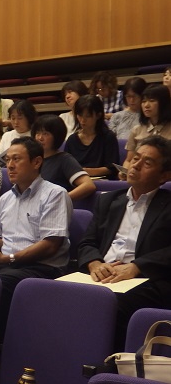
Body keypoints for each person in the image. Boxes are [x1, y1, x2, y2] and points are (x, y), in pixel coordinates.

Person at [77, 136, 171, 350]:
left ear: (164, 176)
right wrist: (95, 263)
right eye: (135, 158)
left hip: (146, 280)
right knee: (56, 295)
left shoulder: (167, 205)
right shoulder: (109, 200)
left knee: (108, 305)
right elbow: (87, 242)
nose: (135, 165)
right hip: (102, 275)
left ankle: (106, 363)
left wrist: (137, 266)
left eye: (147, 163)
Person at [0, 136, 72, 339]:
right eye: (7, 160)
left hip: (43, 267)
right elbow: (6, 238)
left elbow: (51, 245)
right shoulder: (5, 199)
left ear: (36, 162)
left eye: (16, 159)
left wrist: (7, 258)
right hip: (9, 264)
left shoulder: (55, 194)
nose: (10, 166)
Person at [32, 115, 96, 201]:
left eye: (45, 134)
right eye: (38, 133)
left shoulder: (64, 159)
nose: (40, 138)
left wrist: (60, 200)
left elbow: (88, 185)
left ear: (56, 136)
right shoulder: (32, 160)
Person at [65, 95, 119, 179]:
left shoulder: (108, 137)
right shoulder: (72, 140)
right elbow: (66, 166)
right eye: (80, 115)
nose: (82, 120)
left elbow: (112, 168)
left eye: (88, 116)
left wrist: (86, 172)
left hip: (103, 181)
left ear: (98, 115)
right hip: (77, 180)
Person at [123, 84, 171, 171]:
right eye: (144, 101)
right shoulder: (137, 130)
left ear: (164, 103)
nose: (146, 105)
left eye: (152, 101)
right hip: (139, 176)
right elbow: (129, 160)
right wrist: (125, 171)